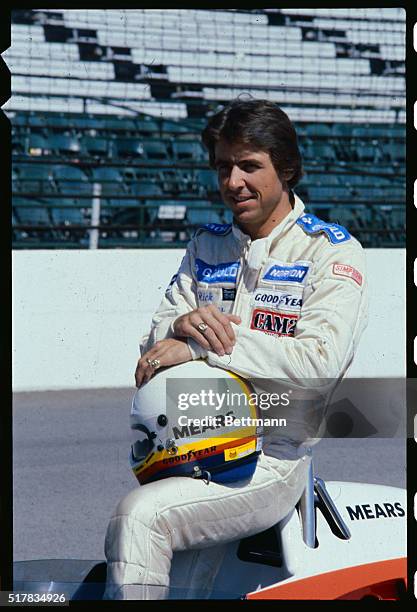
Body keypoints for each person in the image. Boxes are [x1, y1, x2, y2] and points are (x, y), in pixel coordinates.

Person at [103, 99, 368, 599]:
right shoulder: (206, 247)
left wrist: (203, 349)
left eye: (249, 166)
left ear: (285, 169)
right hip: (188, 450)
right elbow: (153, 355)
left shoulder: (330, 251)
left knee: (139, 518)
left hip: (272, 459)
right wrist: (179, 326)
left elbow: (319, 365)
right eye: (224, 167)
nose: (233, 182)